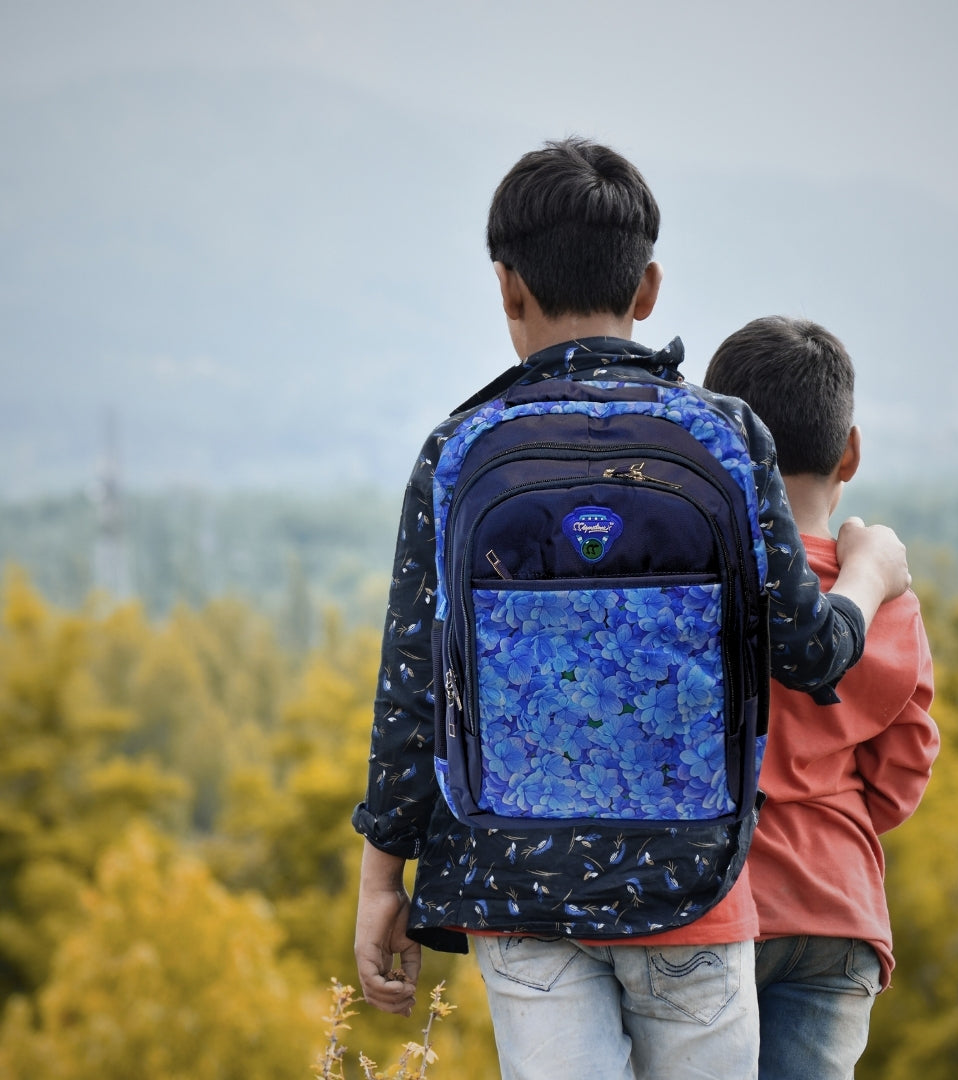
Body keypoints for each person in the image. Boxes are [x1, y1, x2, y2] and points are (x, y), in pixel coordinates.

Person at [352, 139, 912, 1080]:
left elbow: (413, 683)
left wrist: (381, 881)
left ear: (506, 289)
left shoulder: (458, 450)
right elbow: (809, 655)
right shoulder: (725, 438)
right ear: (648, 288)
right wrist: (874, 573)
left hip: (516, 881)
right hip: (692, 886)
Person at [704, 316, 940, 1080]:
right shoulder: (886, 597)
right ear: (851, 452)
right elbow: (905, 766)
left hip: (716, 906)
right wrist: (829, 815)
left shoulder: (702, 586)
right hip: (840, 912)